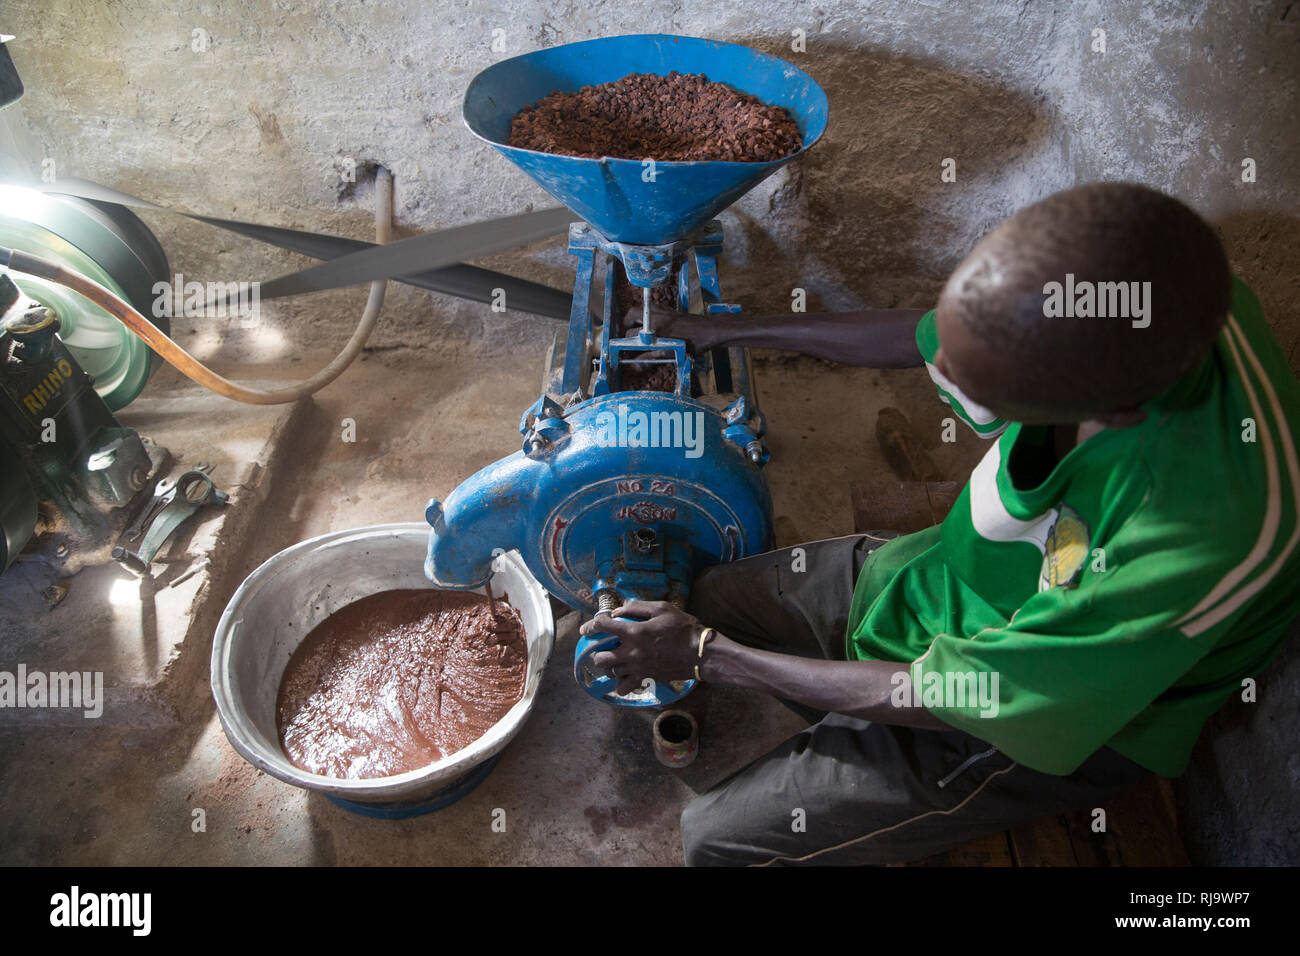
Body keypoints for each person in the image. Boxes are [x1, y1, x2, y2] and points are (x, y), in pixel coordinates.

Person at [579, 182, 1300, 866]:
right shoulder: (1141, 299)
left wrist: (710, 657)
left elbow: (971, 696)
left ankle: (870, 747)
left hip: (1038, 703)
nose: (944, 377)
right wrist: (716, 330)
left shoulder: (1195, 537)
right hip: (956, 578)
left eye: (974, 387)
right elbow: (924, 337)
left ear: (1109, 413)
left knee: (714, 837)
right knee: (705, 597)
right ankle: (839, 704)